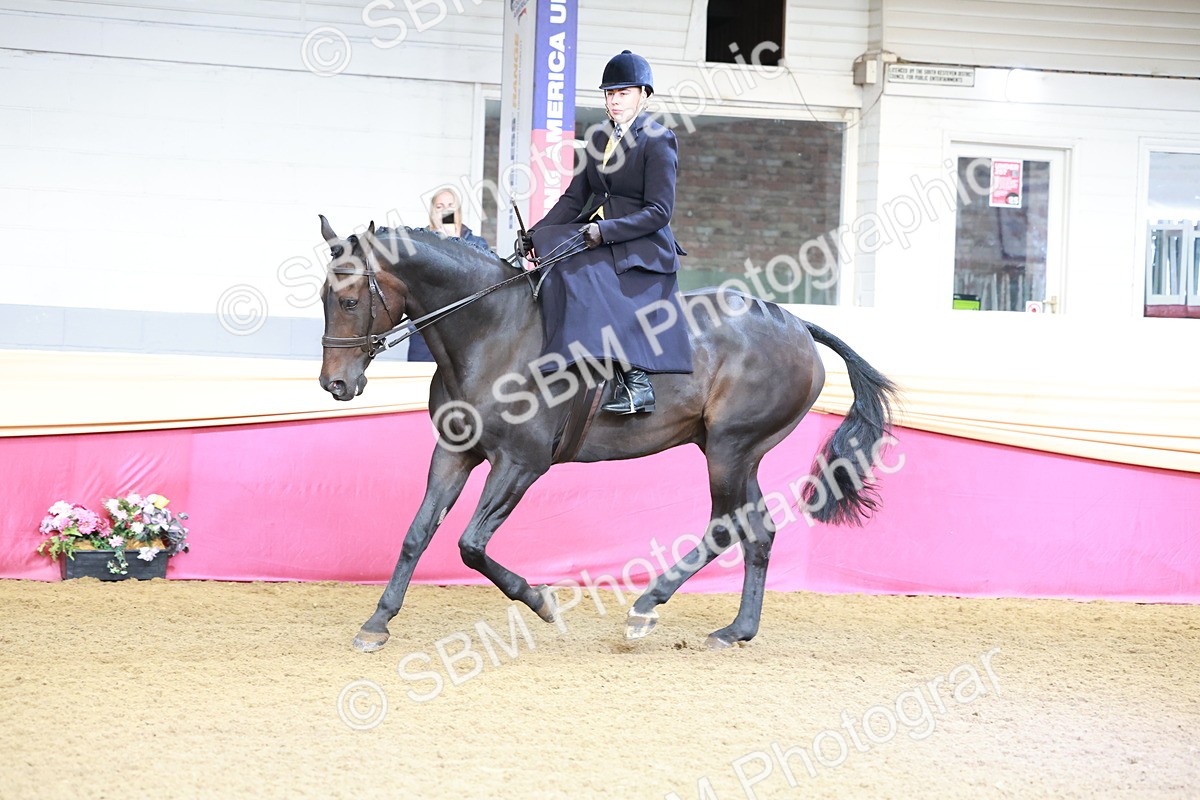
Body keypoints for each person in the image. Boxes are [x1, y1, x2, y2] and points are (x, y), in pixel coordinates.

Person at [520, 50, 692, 414]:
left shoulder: (659, 139)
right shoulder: (599, 136)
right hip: (598, 232)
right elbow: (574, 197)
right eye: (610, 94)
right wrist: (535, 232)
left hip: (640, 242)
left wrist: (605, 231)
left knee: (581, 271)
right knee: (551, 245)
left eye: (623, 93)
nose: (614, 101)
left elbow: (660, 212)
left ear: (644, 94)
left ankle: (636, 383)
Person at [408, 187, 490, 362]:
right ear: (432, 212)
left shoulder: (476, 243)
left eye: (450, 206)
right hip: (425, 331)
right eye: (439, 207)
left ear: (458, 210)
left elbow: (483, 282)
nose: (445, 210)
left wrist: (455, 244)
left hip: (465, 332)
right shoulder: (418, 242)